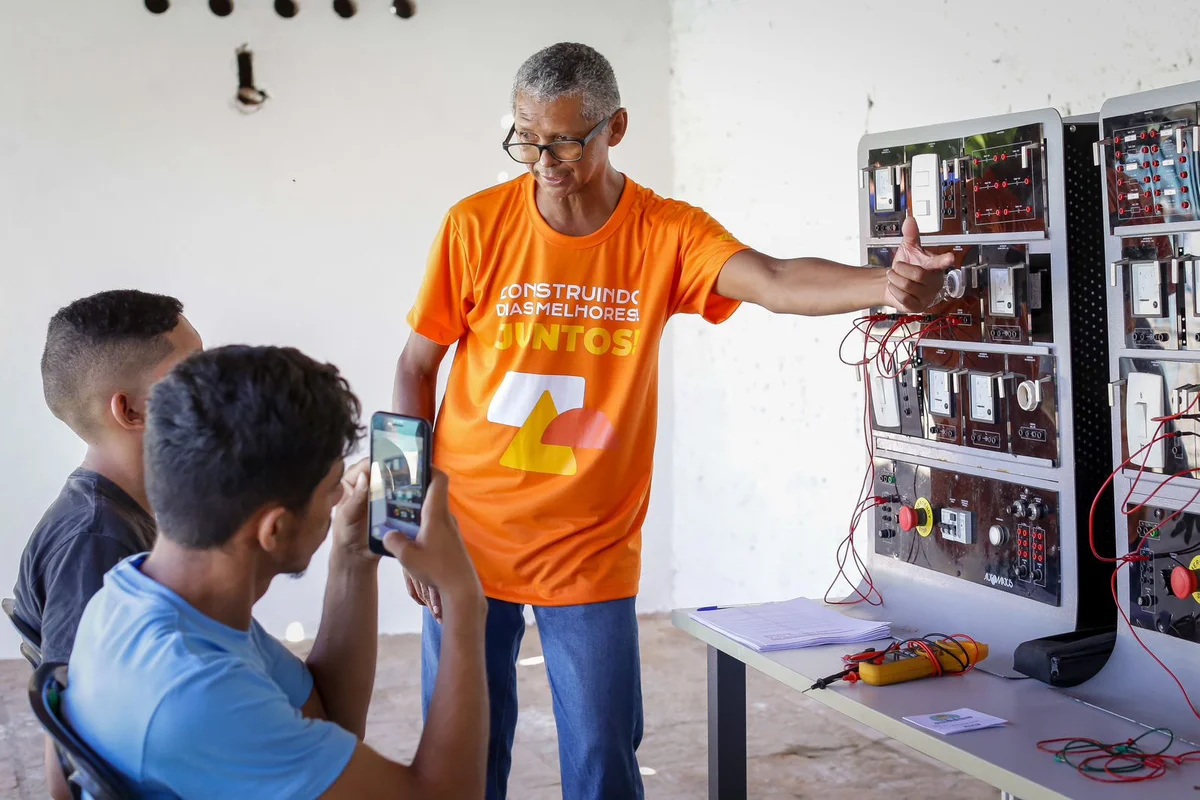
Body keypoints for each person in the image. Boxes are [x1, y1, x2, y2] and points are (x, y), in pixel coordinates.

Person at [392, 41, 952, 799]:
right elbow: (416, 365)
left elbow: (776, 280)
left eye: (565, 140)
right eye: (527, 139)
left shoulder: (663, 232)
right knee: (463, 756)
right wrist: (402, 515)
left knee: (602, 760)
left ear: (615, 128)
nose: (545, 161)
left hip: (588, 548)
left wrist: (887, 288)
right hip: (465, 535)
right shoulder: (475, 226)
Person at [63, 345, 488, 798]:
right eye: (331, 490)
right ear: (276, 528)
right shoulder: (203, 694)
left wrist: (352, 557)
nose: (340, 500)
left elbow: (331, 721)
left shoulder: (135, 597)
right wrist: (463, 600)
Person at [12, 289, 202, 800]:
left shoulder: (130, 508)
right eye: (193, 375)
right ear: (132, 410)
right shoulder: (95, 538)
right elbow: (70, 724)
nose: (214, 390)